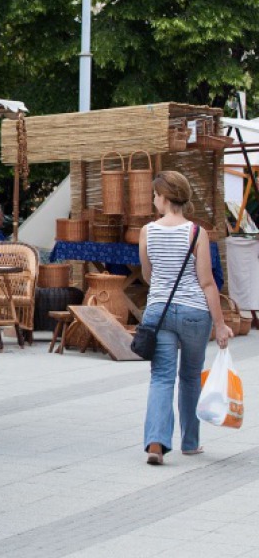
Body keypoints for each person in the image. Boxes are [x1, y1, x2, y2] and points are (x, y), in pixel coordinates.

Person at [139, 171, 233, 466]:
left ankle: (156, 442)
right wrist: (220, 325)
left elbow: (147, 275)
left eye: (155, 195)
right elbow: (207, 283)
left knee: (161, 377)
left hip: (159, 312)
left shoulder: (148, 231)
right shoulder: (196, 233)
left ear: (164, 198)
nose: (154, 200)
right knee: (190, 376)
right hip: (194, 313)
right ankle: (190, 442)